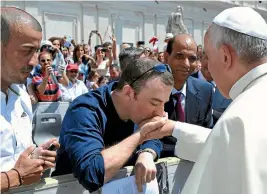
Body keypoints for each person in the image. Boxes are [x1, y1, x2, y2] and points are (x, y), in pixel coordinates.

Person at [141, 7, 267, 194]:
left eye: (208, 57)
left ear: (226, 56)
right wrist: (175, 128)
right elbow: (236, 149)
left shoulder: (237, 118)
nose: (208, 67)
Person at [52, 58, 174, 193]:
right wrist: (140, 135)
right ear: (129, 93)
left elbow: (153, 138)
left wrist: (147, 153)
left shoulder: (140, 112)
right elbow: (92, 175)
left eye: (164, 103)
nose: (161, 112)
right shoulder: (83, 110)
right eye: (155, 103)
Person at [1, 7, 59, 191]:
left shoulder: (21, 95)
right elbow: (16, 173)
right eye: (27, 51)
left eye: (36, 51)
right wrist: (14, 177)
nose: (34, 62)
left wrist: (37, 154)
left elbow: (14, 155)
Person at [161, 34, 214, 157]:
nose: (186, 64)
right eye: (179, 56)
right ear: (166, 57)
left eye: (192, 58)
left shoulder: (205, 90)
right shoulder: (149, 90)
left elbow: (206, 134)